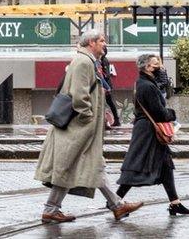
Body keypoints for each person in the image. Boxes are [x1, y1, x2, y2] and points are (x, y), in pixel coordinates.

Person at [34, 30, 143, 224]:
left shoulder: (89, 61)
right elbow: (79, 94)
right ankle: (53, 209)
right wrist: (88, 117)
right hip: (79, 128)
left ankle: (116, 206)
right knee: (71, 165)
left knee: (90, 164)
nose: (104, 44)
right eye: (101, 40)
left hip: (83, 128)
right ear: (91, 42)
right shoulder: (84, 62)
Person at [116, 54, 189, 215]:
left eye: (158, 63)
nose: (159, 67)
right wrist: (172, 114)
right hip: (148, 132)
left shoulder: (144, 83)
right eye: (154, 64)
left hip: (147, 129)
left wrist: (162, 88)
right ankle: (115, 202)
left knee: (166, 165)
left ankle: (175, 203)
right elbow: (159, 112)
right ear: (146, 67)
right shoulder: (148, 86)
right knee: (136, 167)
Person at [100, 48, 121, 127]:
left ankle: (115, 119)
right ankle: (115, 119)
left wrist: (106, 87)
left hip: (105, 85)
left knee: (108, 102)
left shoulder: (103, 60)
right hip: (106, 85)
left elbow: (106, 75)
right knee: (109, 103)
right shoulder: (103, 60)